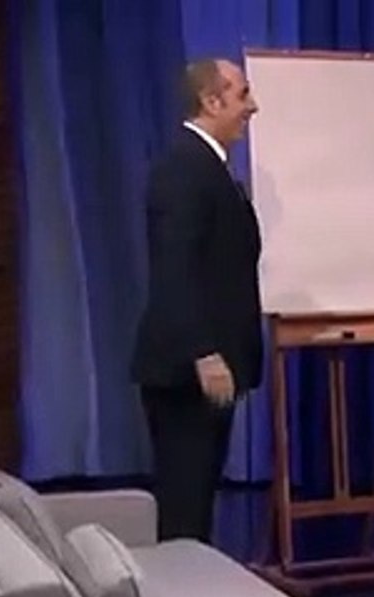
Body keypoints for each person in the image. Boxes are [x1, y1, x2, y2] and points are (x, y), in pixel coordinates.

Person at [130, 58, 263, 543]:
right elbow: (175, 268)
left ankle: (194, 586)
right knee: (185, 508)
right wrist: (204, 352)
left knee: (199, 500)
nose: (253, 106)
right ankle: (178, 592)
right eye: (242, 94)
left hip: (205, 371)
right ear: (211, 101)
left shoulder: (209, 167)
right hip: (187, 374)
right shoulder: (184, 168)